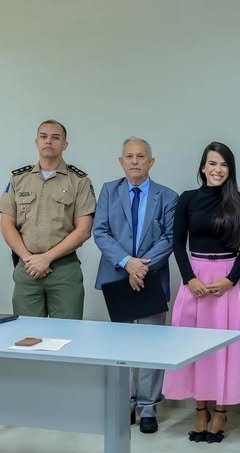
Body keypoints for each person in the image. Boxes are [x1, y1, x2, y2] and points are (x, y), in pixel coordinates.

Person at [162, 141, 240, 443]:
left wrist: (230, 279)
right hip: (195, 280)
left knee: (224, 348)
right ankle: (200, 410)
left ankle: (220, 412)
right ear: (203, 167)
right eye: (213, 163)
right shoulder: (188, 199)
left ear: (231, 169)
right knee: (195, 347)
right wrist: (189, 279)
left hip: (228, 281)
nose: (218, 170)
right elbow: (177, 244)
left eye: (224, 164)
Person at [93, 137, 178, 434]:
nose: (134, 161)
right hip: (117, 278)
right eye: (129, 156)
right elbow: (100, 231)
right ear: (121, 161)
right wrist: (127, 263)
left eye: (141, 156)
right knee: (122, 346)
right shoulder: (109, 190)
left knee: (152, 346)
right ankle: (125, 403)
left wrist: (141, 267)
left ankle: (148, 407)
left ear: (151, 162)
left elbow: (170, 237)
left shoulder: (167, 196)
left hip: (151, 279)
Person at [0, 119, 96, 319]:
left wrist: (46, 258)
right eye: (43, 137)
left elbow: (84, 230)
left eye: (55, 137)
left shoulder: (79, 181)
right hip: (27, 267)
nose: (48, 141)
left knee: (66, 332)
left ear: (65, 144)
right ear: (36, 142)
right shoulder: (18, 179)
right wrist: (28, 258)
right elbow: (7, 224)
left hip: (64, 270)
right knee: (26, 332)